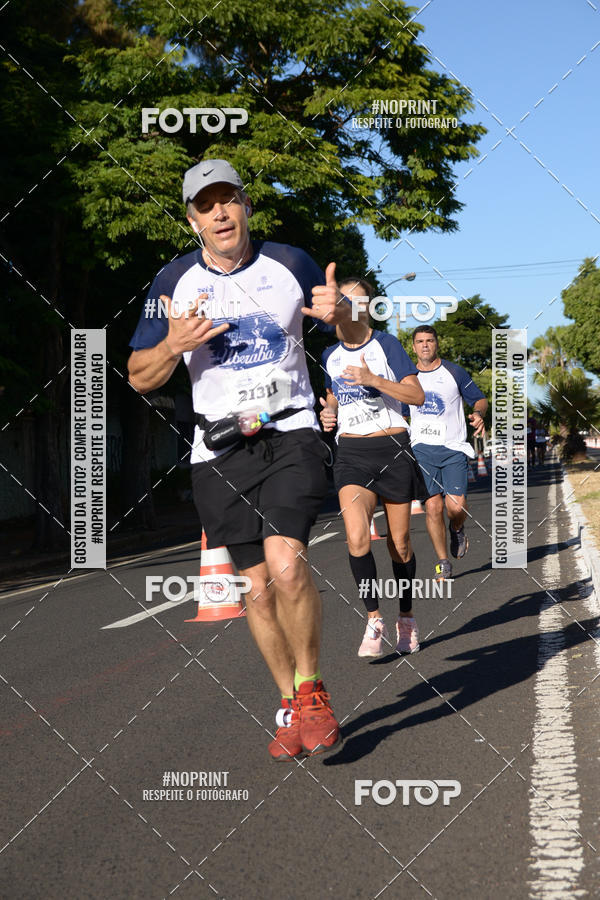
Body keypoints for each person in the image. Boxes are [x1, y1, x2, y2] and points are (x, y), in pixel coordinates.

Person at [127, 158, 354, 761]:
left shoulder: (292, 263)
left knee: (286, 565)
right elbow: (138, 377)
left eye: (229, 200)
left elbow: (351, 333)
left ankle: (313, 690)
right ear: (192, 220)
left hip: (290, 431)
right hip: (218, 449)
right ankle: (289, 702)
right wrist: (173, 344)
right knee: (255, 588)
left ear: (247, 206)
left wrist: (345, 314)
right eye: (207, 206)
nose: (220, 213)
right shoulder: (172, 282)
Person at [319, 278, 427, 658]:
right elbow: (333, 396)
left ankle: (407, 618)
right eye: (345, 300)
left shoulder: (386, 345)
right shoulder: (329, 354)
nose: (351, 306)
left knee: (400, 544)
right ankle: (373, 618)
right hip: (351, 452)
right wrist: (330, 412)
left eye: (358, 301)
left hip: (392, 448)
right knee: (356, 538)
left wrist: (374, 380)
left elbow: (416, 395)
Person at [405, 326, 487, 582]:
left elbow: (479, 399)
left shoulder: (454, 372)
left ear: (436, 344)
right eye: (420, 341)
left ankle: (457, 527)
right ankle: (443, 563)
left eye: (429, 340)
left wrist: (478, 413)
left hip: (453, 448)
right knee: (432, 507)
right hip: (421, 449)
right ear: (413, 346)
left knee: (456, 506)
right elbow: (400, 411)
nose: (425, 345)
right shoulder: (407, 377)